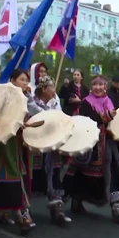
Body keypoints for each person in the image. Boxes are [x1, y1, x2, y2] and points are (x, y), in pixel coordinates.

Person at [63, 76, 119, 224]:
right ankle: (76, 201)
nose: (98, 87)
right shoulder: (86, 103)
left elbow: (117, 121)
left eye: (101, 84)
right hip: (90, 146)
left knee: (114, 175)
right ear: (91, 87)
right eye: (95, 84)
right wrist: (105, 117)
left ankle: (116, 208)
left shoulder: (109, 102)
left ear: (105, 86)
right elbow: (89, 120)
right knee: (82, 175)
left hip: (108, 144)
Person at [0, 69, 43, 235]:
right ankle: (21, 215)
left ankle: (0, 212)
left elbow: (36, 115)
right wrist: (15, 124)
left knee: (20, 174)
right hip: (6, 144)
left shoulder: (28, 99)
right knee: (12, 174)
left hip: (22, 144)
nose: (25, 82)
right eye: (22, 79)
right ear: (12, 80)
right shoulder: (5, 98)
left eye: (26, 80)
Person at [30, 76, 71, 225]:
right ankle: (23, 210)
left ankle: (57, 209)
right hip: (36, 144)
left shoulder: (55, 101)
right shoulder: (32, 102)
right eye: (52, 87)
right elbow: (38, 118)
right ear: (43, 89)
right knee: (32, 176)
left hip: (52, 145)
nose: (54, 90)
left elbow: (59, 118)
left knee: (54, 175)